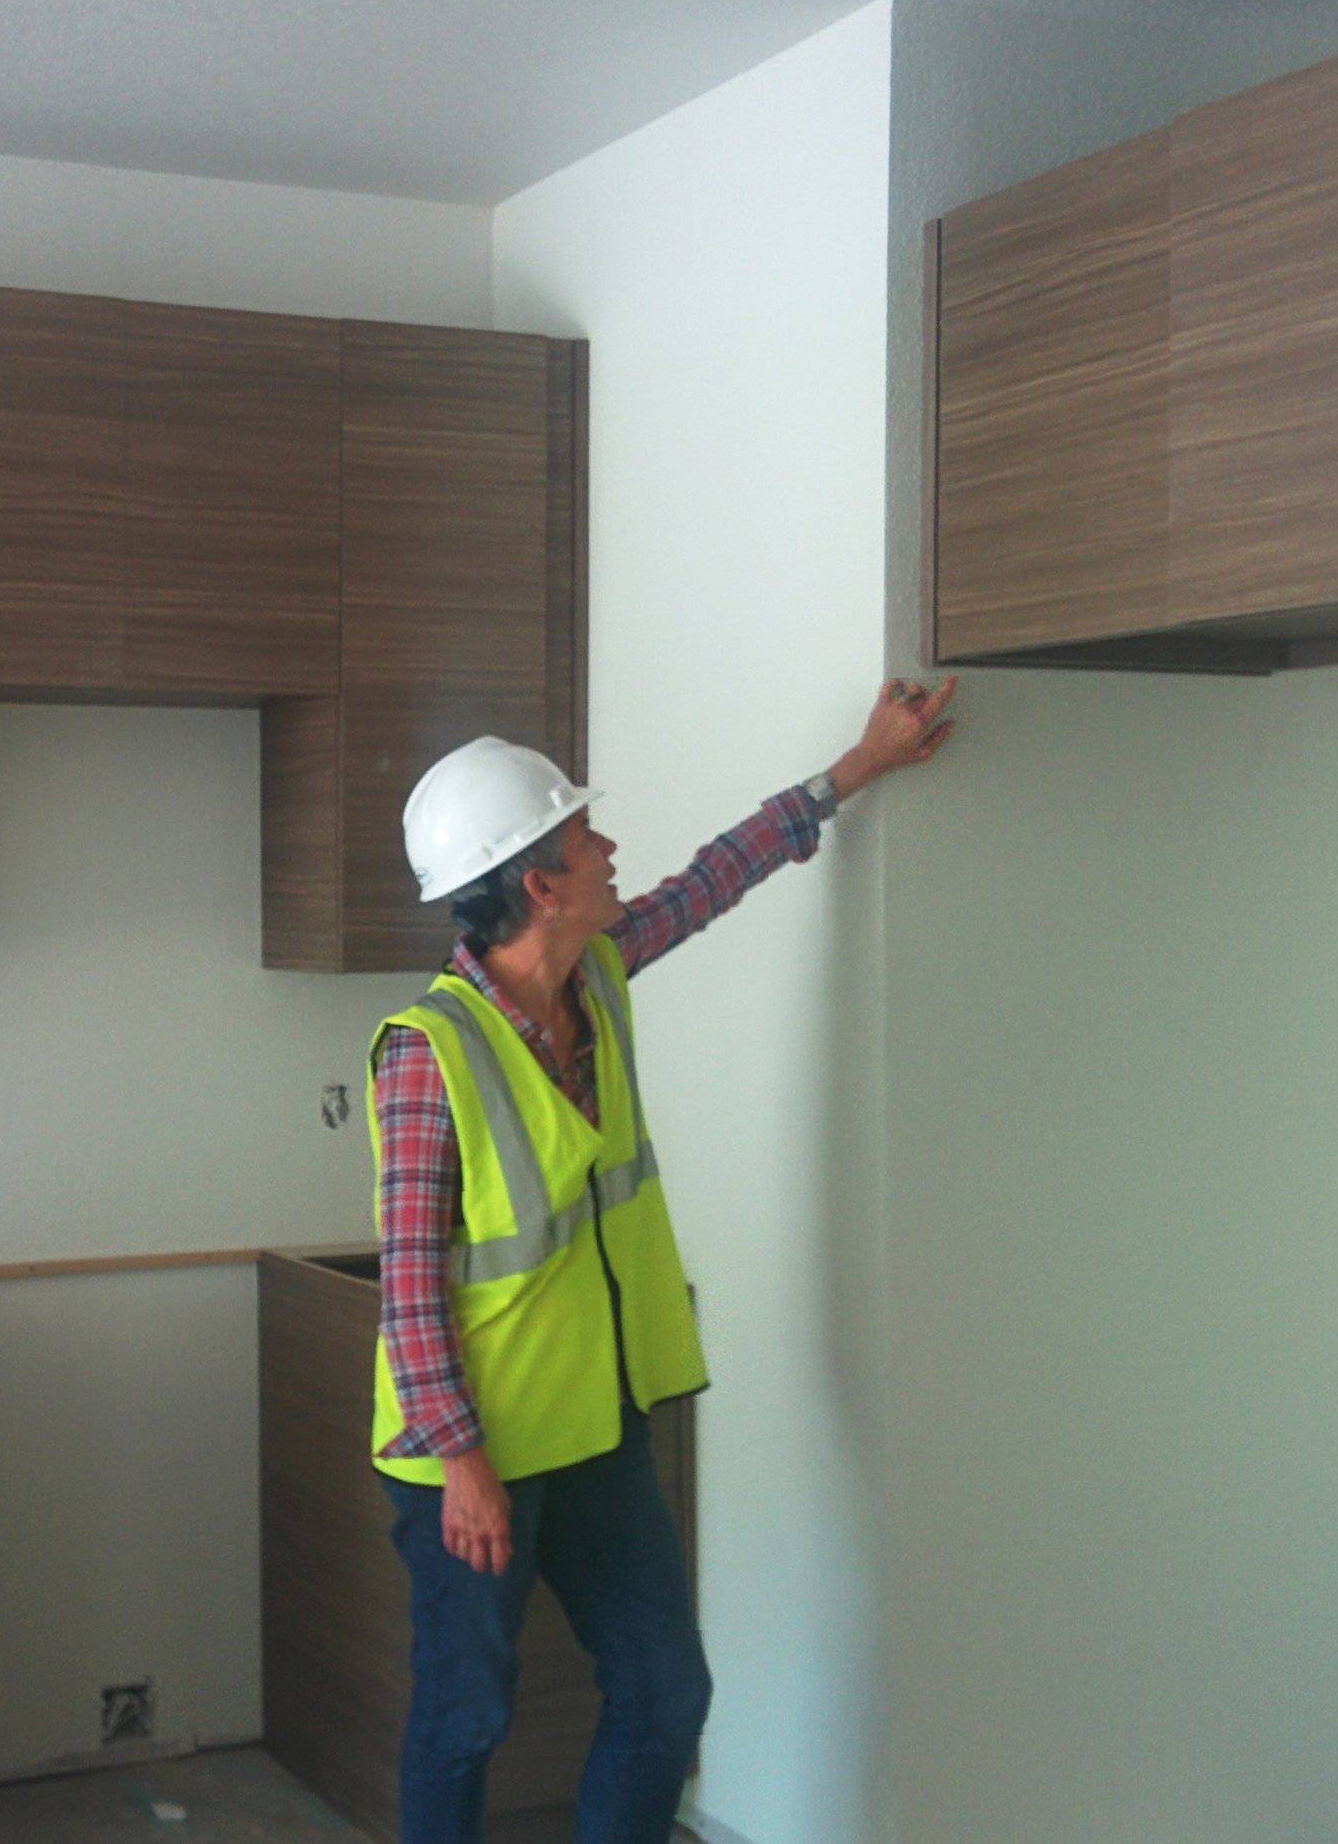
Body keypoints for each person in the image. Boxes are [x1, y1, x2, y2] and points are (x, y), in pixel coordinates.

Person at [369, 678, 956, 1844]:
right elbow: (409, 1289)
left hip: (594, 1425)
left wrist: (855, 767)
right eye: (584, 836)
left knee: (665, 1690)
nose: (608, 847)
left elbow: (708, 879)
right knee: (465, 1715)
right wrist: (467, 1464)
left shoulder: (593, 974)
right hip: (471, 1453)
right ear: (538, 882)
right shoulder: (429, 1052)